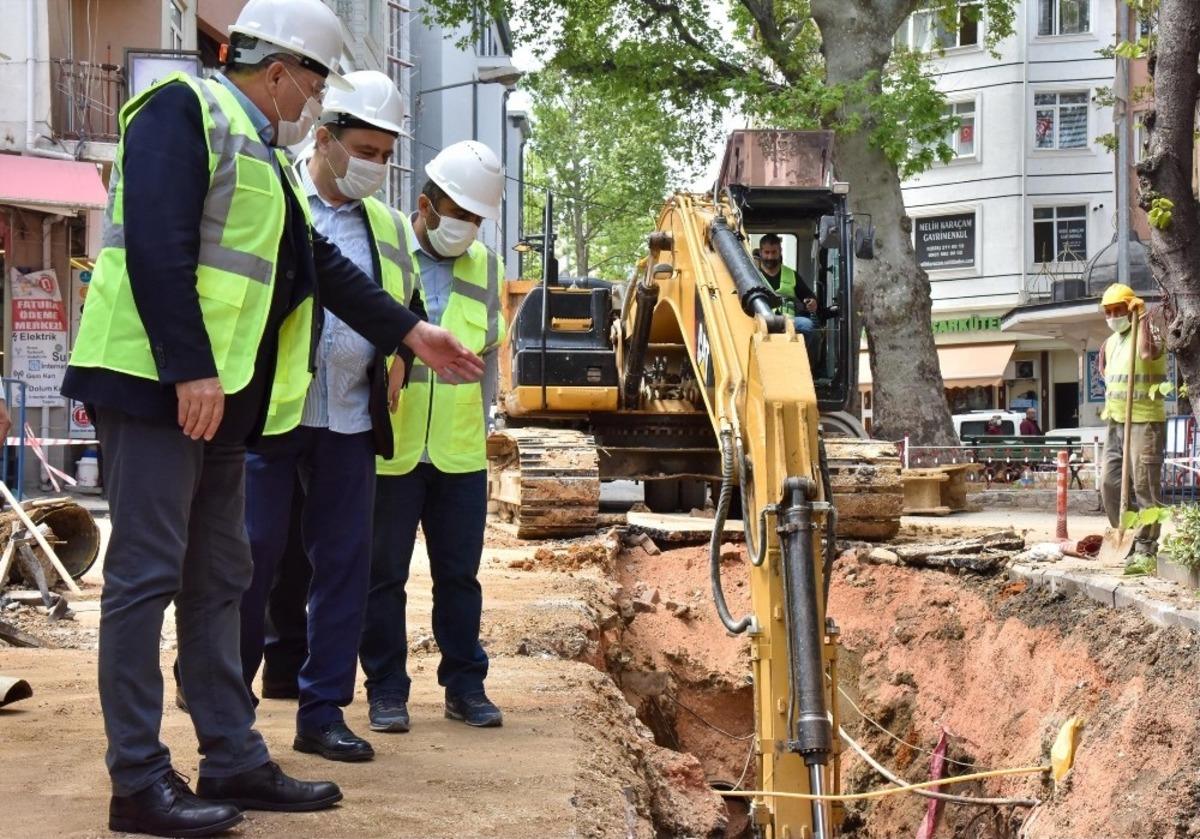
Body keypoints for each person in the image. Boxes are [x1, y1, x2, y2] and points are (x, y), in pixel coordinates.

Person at [61, 0, 482, 835]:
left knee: (221, 576)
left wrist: (411, 331)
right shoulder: (183, 110)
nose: (315, 108)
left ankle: (232, 754)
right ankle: (139, 780)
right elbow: (155, 243)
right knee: (146, 578)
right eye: (316, 89)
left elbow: (316, 263)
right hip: (154, 384)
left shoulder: (263, 154)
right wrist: (189, 367)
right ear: (282, 70)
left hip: (221, 401)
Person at [238, 69, 422, 763]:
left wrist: (402, 360)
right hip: (271, 415)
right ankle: (233, 709)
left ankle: (322, 711)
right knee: (250, 560)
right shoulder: (275, 200)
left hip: (348, 418)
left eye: (384, 154)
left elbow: (409, 310)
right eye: (364, 150)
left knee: (344, 565)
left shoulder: (389, 226)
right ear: (323, 137)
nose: (375, 166)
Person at [360, 141, 507, 733]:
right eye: (458, 214)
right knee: (382, 576)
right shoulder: (387, 254)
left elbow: (490, 356)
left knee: (459, 578)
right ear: (424, 204)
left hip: (459, 449)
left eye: (476, 219)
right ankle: (387, 689)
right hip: (391, 447)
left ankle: (466, 686)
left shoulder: (488, 268)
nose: (467, 228)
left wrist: (489, 424)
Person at [1097, 282, 1168, 564]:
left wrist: (1143, 317)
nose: (1113, 316)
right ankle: (1122, 535)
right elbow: (1105, 374)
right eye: (1108, 311)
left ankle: (1145, 546)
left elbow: (1149, 355)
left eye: (1119, 310)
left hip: (1144, 421)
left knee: (1143, 487)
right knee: (1109, 483)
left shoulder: (1147, 330)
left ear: (1131, 307)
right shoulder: (1110, 343)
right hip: (1116, 421)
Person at [757, 232, 837, 355]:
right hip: (760, 321)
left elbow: (808, 296)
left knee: (808, 326)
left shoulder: (791, 275)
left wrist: (812, 302)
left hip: (788, 321)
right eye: (767, 253)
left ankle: (806, 364)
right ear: (761, 252)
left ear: (780, 252)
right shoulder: (752, 274)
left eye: (774, 252)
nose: (770, 257)